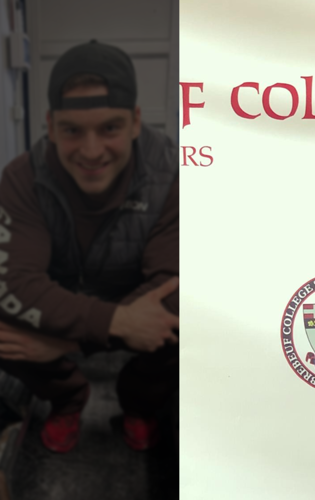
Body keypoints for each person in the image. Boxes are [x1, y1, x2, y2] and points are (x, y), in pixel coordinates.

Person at [0, 40, 179, 453]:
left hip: (135, 299)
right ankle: (66, 397)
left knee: (182, 319)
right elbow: (14, 283)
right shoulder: (22, 177)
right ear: (50, 124)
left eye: (110, 128)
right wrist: (113, 323)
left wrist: (70, 342)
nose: (92, 150)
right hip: (57, 300)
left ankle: (139, 404)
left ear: (135, 121)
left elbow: (173, 289)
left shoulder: (171, 174)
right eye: (72, 131)